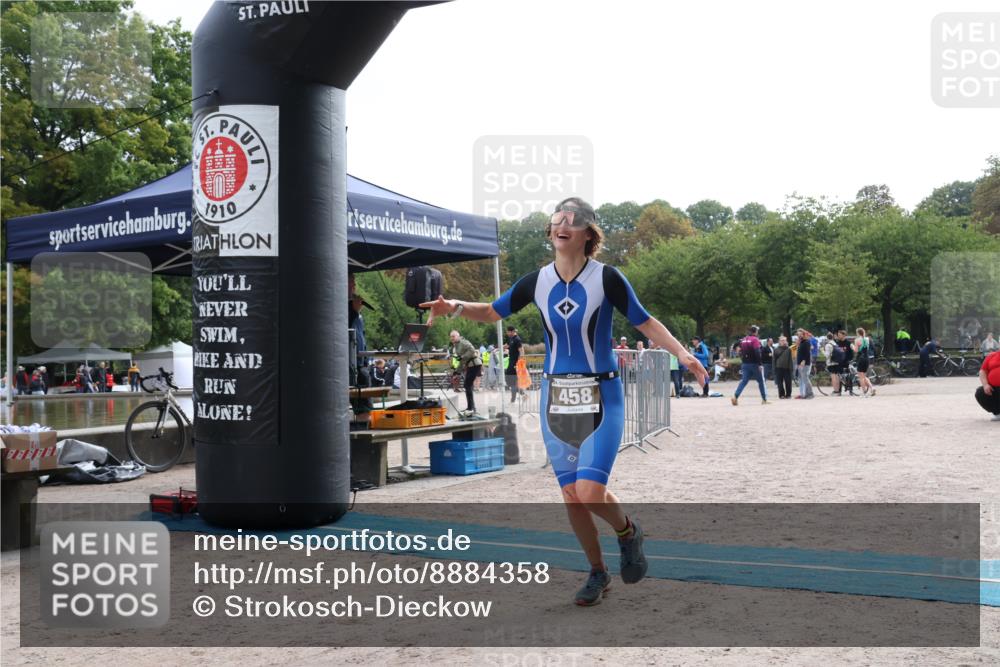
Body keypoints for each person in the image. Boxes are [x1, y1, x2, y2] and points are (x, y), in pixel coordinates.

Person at [420, 196, 709, 607]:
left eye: (570, 220)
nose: (561, 224)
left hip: (602, 396)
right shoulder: (536, 281)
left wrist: (682, 354)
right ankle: (597, 572)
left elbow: (644, 321)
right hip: (555, 398)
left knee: (590, 491)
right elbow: (492, 312)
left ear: (588, 233)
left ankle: (628, 532)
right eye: (557, 219)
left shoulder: (607, 278)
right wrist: (456, 307)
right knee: (572, 495)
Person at [731, 325, 768, 406]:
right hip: (754, 364)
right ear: (756, 332)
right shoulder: (755, 339)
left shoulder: (744, 339)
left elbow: (739, 350)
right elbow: (757, 352)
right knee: (761, 381)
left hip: (745, 363)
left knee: (744, 381)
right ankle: (764, 399)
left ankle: (735, 396)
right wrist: (760, 364)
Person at [448, 330, 483, 416]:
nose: (452, 338)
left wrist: (463, 356)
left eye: (453, 336)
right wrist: (457, 372)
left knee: (467, 385)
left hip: (475, 364)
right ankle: (471, 407)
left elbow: (472, 350)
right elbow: (462, 361)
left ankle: (471, 408)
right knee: (468, 385)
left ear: (458, 336)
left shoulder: (463, 342)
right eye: (451, 336)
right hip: (470, 365)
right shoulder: (456, 345)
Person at [975, 349, 1000, 421]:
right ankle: (998, 413)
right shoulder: (991, 356)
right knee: (980, 392)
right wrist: (985, 385)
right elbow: (982, 371)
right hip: (993, 389)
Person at [853, 327, 876, 397]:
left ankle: (864, 392)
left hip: (861, 358)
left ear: (857, 333)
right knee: (864, 376)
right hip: (867, 358)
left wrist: (852, 347)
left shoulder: (857, 340)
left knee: (861, 377)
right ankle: (872, 388)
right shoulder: (867, 339)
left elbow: (856, 350)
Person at [505, 326, 523, 403]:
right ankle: (522, 394)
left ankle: (513, 399)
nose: (507, 333)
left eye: (508, 332)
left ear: (512, 331)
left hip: (515, 363)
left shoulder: (517, 339)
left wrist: (519, 363)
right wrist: (499, 348)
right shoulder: (511, 339)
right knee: (511, 380)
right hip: (511, 361)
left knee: (511, 379)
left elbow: (521, 351)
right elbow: (508, 346)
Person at [795, 329, 814, 399]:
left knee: (805, 378)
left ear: (803, 334)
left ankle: (810, 393)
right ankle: (806, 394)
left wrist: (804, 360)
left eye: (801, 334)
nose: (799, 336)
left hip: (805, 363)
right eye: (798, 334)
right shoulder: (801, 342)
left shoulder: (806, 342)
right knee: (804, 378)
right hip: (800, 363)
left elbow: (807, 353)